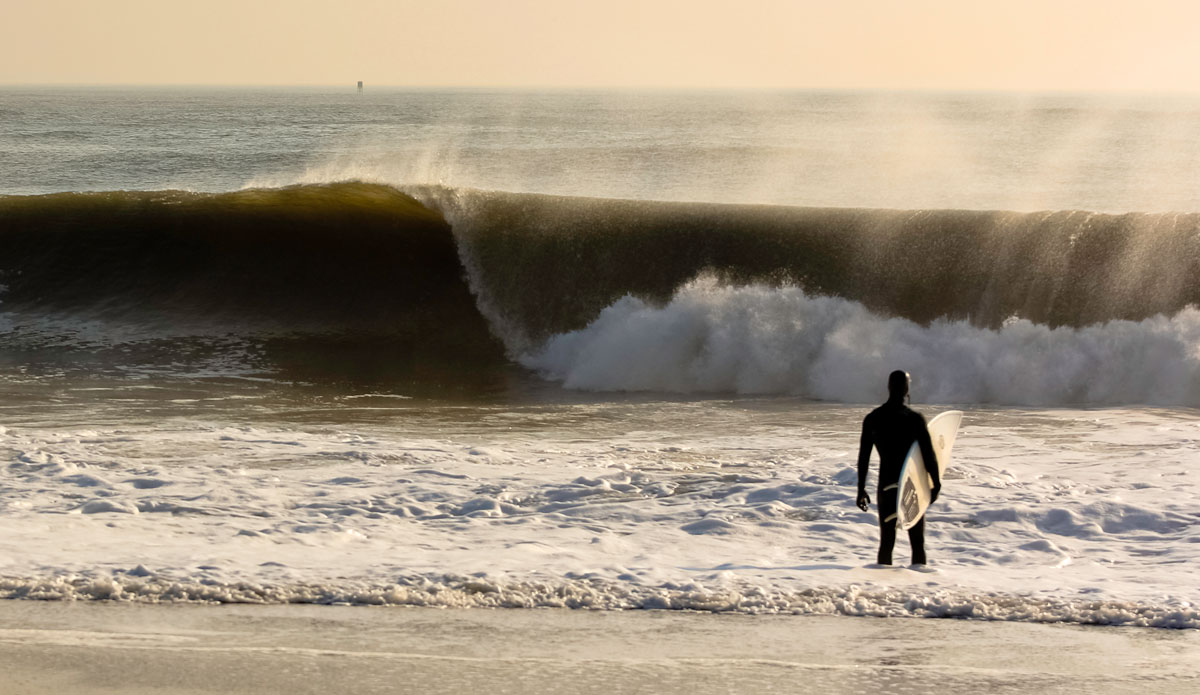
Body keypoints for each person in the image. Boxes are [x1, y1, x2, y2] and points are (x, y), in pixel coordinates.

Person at [855, 370, 939, 566]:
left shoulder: (873, 418)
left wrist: (861, 489)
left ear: (889, 387)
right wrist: (936, 482)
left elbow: (863, 458)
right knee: (917, 543)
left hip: (886, 485)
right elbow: (928, 455)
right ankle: (920, 588)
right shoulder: (914, 419)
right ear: (907, 389)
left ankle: (884, 588)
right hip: (912, 484)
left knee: (886, 542)